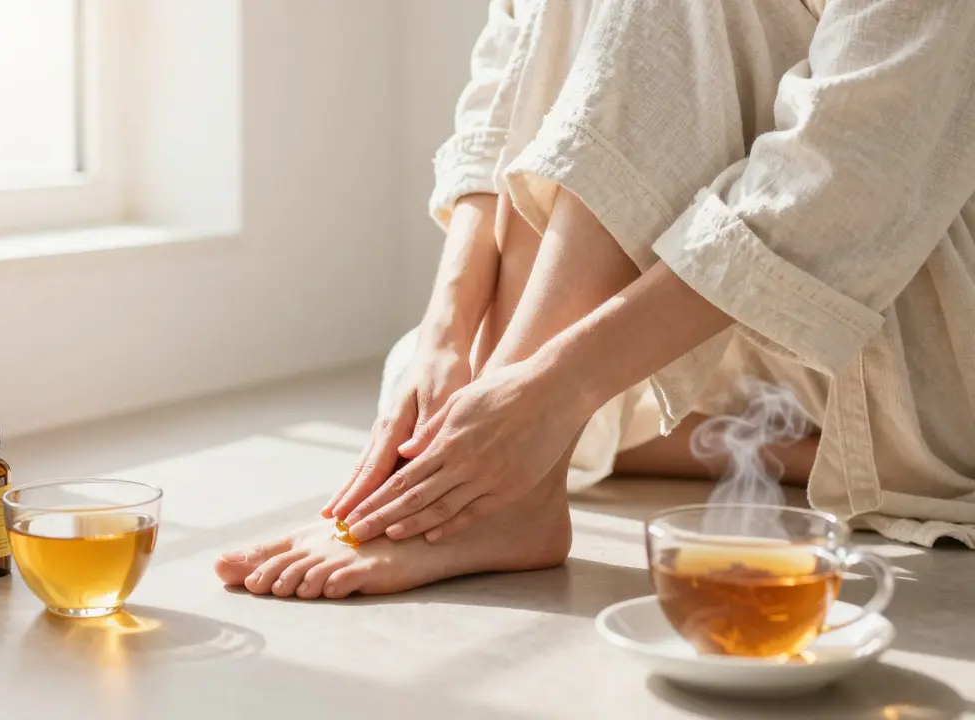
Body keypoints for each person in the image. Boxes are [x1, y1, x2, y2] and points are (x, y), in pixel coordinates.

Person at [215, 0, 975, 599]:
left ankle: (513, 483)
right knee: (418, 375)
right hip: (762, 331)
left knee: (514, 422)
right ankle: (785, 453)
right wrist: (451, 338)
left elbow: (840, 181)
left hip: (909, 327)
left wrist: (549, 385)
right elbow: (508, 92)